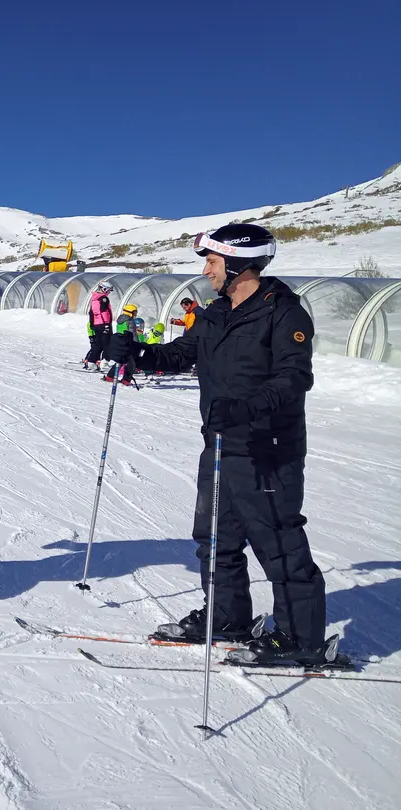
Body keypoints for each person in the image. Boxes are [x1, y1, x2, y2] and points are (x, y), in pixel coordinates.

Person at [106, 224, 330, 667]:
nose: (206, 271)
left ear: (239, 263)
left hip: (267, 447)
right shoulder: (216, 313)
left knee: (277, 540)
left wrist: (247, 408)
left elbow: (294, 378)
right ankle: (227, 617)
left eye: (212, 262)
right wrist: (137, 352)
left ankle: (301, 637)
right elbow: (180, 354)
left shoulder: (284, 313)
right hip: (220, 442)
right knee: (214, 536)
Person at [83, 282, 113, 371]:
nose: (109, 292)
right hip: (104, 324)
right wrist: (106, 325)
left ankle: (91, 362)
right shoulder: (103, 299)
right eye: (108, 291)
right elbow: (104, 312)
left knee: (98, 344)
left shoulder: (94, 298)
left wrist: (92, 324)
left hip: (97, 325)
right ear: (104, 289)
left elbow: (91, 313)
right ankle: (104, 362)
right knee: (108, 344)